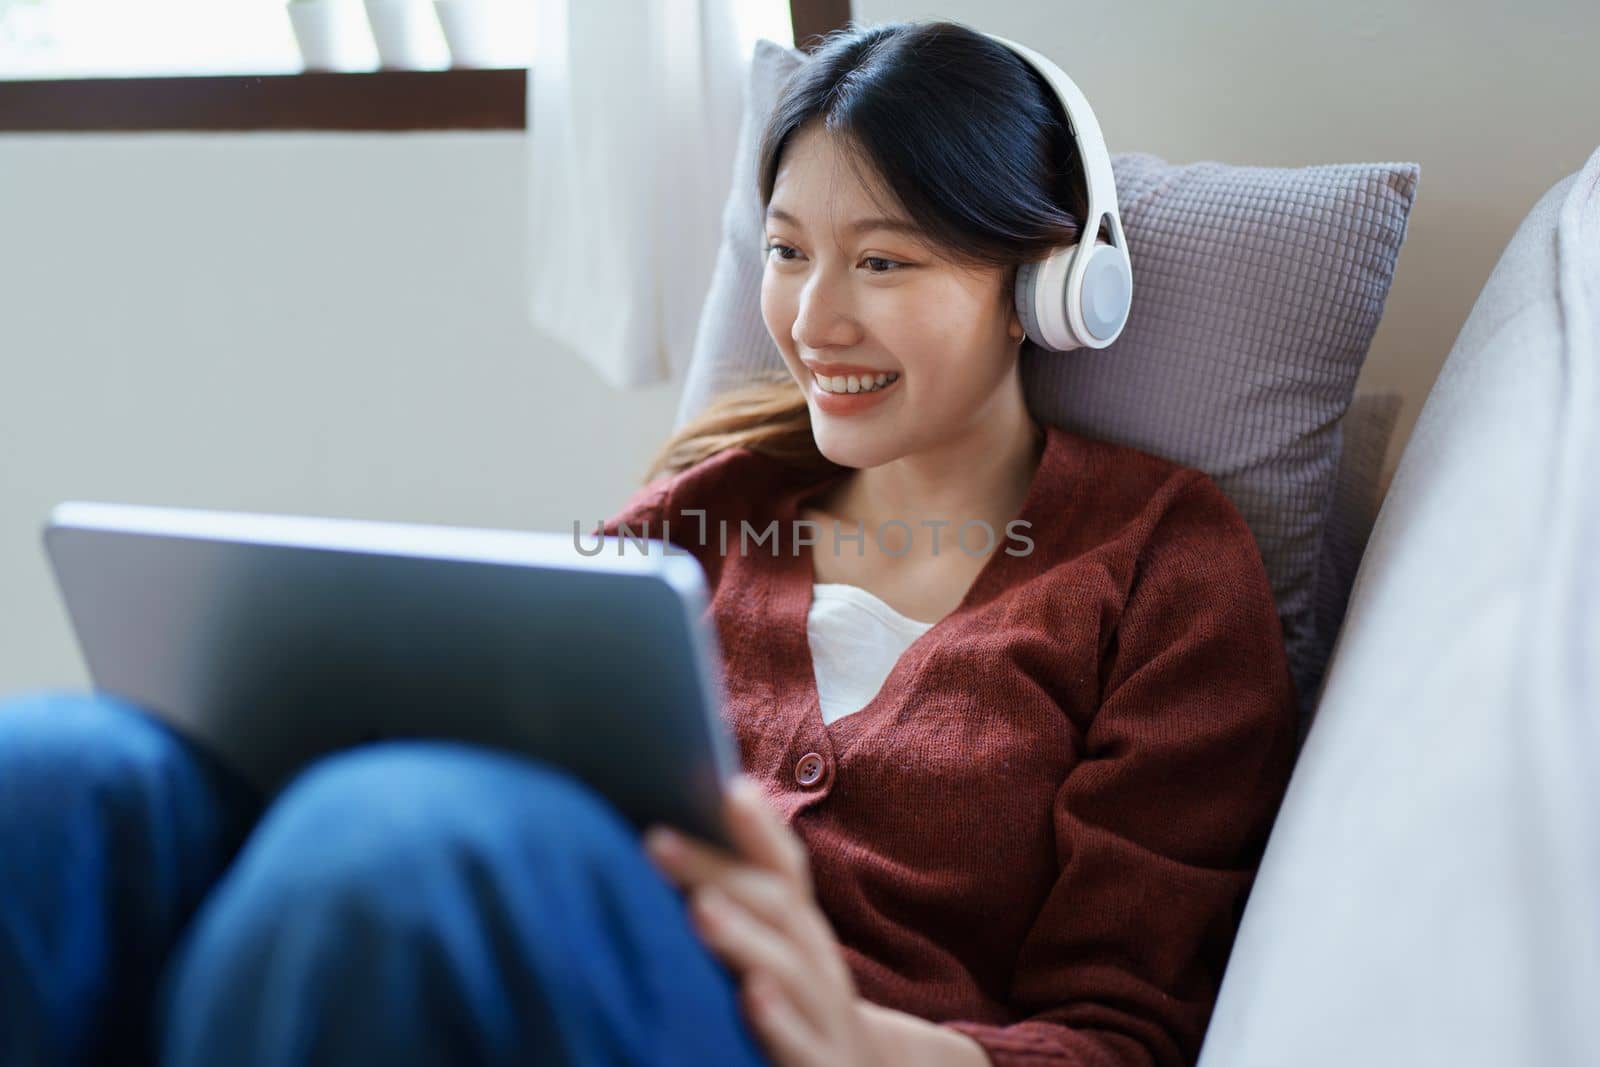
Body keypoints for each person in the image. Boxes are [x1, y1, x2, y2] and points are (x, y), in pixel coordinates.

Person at [0, 18, 1297, 1067]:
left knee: (400, 840)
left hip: (782, 1037)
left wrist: (860, 1040)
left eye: (885, 264)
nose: (814, 318)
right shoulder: (705, 510)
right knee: (62, 770)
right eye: (788, 253)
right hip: (543, 947)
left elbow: (1123, 1035)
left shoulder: (1160, 566)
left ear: (1043, 282)